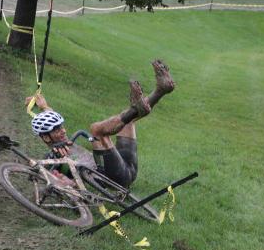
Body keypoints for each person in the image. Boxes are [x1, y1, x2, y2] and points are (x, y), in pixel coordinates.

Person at [26, 60, 175, 188]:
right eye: (58, 131)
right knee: (96, 130)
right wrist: (41, 170)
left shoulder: (57, 141)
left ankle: (161, 90)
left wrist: (43, 106)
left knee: (128, 122)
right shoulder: (53, 159)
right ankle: (135, 108)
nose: (63, 131)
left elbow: (50, 123)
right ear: (46, 138)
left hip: (126, 168)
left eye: (62, 127)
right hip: (112, 179)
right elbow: (56, 180)